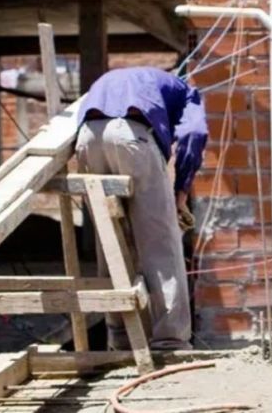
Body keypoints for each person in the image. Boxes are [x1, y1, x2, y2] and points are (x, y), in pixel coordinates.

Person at [75, 66, 208, 351]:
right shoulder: (187, 92)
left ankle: (121, 338)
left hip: (86, 139)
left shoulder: (109, 79)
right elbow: (194, 133)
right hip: (132, 138)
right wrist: (181, 191)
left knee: (112, 241)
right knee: (160, 243)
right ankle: (170, 340)